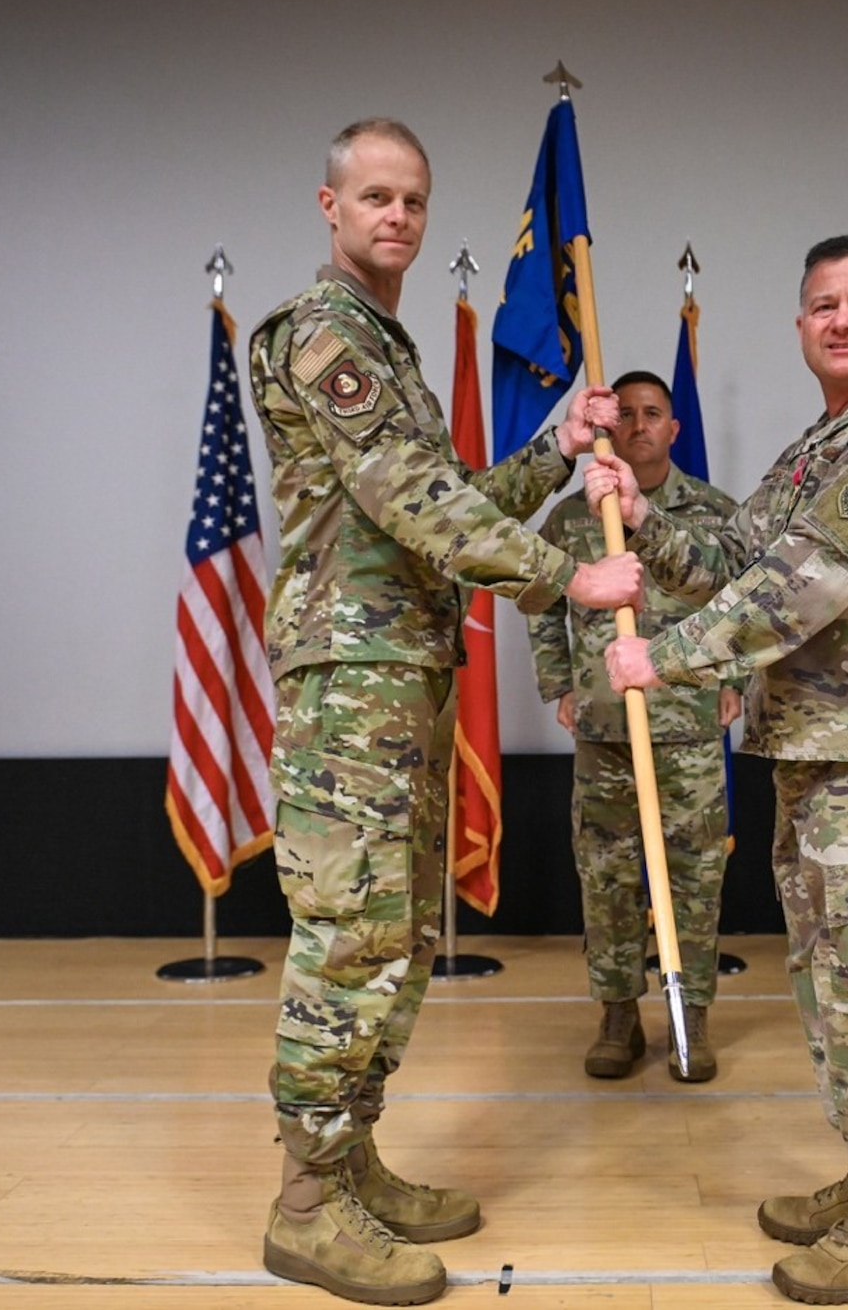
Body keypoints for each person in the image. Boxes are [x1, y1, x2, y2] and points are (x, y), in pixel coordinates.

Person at [247, 117, 641, 1306]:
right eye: (373, 197)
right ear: (328, 207)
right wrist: (569, 577)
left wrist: (556, 449)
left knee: (399, 937)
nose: (397, 218)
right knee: (349, 939)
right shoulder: (324, 333)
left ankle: (352, 1158)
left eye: (413, 200)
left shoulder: (387, 342)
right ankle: (304, 1202)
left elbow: (446, 499)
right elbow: (416, 502)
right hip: (350, 680)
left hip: (400, 678)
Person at [588, 234, 848, 1303]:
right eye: (822, 305)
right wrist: (643, 508)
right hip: (820, 761)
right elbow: (732, 560)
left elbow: (796, 590)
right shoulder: (821, 443)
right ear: (801, 325)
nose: (841, 320)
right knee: (833, 992)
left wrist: (655, 657)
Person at [526, 370, 741, 1082]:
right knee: (608, 877)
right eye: (627, 415)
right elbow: (542, 605)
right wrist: (559, 682)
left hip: (687, 725)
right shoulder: (569, 519)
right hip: (605, 728)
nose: (641, 424)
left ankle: (692, 1014)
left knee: (694, 877)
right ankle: (618, 1012)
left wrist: (735, 682)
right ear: (608, 428)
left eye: (654, 414)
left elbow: (741, 605)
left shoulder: (713, 514)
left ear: (674, 429)